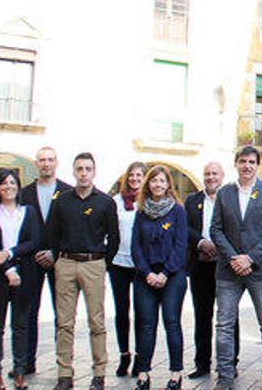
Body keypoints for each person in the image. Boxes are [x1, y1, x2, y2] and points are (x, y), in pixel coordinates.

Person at [210, 146, 262, 390]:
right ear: (236, 164)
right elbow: (216, 230)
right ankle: (225, 375)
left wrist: (250, 259)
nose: (247, 166)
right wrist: (234, 258)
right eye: (243, 161)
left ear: (257, 165)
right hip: (228, 270)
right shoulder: (224, 193)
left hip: (260, 270)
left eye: (252, 162)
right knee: (224, 325)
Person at [47, 152, 120, 390]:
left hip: (94, 263)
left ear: (94, 172)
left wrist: (102, 262)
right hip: (66, 263)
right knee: (64, 323)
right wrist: (59, 259)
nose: (84, 173)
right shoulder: (62, 200)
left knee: (96, 322)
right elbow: (52, 233)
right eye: (80, 169)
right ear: (74, 171)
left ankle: (99, 373)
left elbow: (115, 238)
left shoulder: (105, 202)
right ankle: (64, 374)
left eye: (88, 169)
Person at [0, 169, 41, 390]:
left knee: (21, 326)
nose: (9, 187)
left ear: (18, 186)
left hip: (24, 275)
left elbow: (34, 241)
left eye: (12, 183)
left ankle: (19, 371)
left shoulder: (29, 211)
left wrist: (10, 253)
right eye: (4, 183)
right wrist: (8, 269)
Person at [131, 165, 189, 390]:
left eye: (162, 181)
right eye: (153, 180)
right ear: (148, 184)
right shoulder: (141, 211)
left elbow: (181, 245)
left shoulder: (178, 211)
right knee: (146, 325)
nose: (158, 184)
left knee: (171, 322)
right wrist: (147, 273)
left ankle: (176, 374)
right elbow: (135, 246)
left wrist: (164, 273)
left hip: (172, 276)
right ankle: (143, 374)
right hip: (145, 277)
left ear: (168, 185)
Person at [185, 162, 240, 379]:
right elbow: (185, 228)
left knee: (229, 316)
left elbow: (237, 229)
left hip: (225, 266)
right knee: (202, 315)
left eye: (214, 173)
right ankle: (202, 363)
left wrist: (222, 249)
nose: (210, 177)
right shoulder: (192, 200)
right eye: (207, 173)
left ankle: (230, 362)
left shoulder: (231, 199)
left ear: (222, 176)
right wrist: (200, 243)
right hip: (200, 265)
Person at [21, 146, 72, 376]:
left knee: (61, 314)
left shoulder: (68, 192)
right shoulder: (25, 194)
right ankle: (26, 361)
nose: (46, 164)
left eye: (50, 159)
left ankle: (63, 364)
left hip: (59, 260)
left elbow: (71, 229)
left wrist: (54, 251)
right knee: (29, 311)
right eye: (42, 160)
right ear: (36, 164)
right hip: (31, 260)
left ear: (57, 163)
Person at [109, 161, 147, 377]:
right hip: (119, 263)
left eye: (139, 175)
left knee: (143, 313)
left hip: (142, 265)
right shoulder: (116, 202)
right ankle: (124, 355)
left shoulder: (149, 202)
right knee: (121, 312)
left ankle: (141, 358)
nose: (134, 179)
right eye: (131, 175)